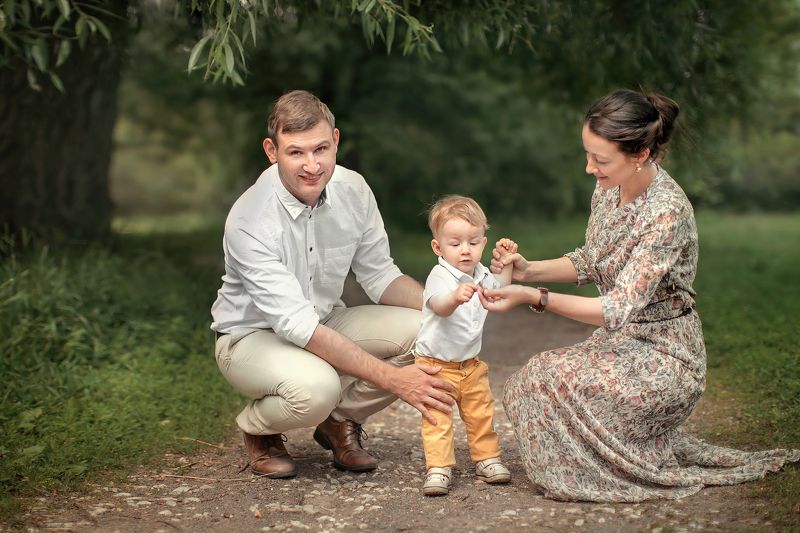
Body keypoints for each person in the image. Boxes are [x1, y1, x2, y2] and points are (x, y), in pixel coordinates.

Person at [480, 89, 800, 502]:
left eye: (600, 159)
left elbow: (615, 309)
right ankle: (596, 457)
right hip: (622, 343)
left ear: (641, 154)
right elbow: (593, 259)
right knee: (526, 383)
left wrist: (534, 296)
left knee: (546, 378)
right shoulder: (609, 189)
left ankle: (604, 467)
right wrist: (529, 269)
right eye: (588, 154)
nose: (589, 167)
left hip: (666, 357)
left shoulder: (666, 212)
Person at [210, 90, 454, 479]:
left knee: (431, 328)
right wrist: (396, 380)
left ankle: (337, 421)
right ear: (272, 151)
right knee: (317, 389)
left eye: (321, 149)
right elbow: (297, 327)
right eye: (296, 153)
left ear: (336, 140)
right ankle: (259, 428)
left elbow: (379, 275)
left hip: (323, 319)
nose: (312, 165)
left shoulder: (354, 190)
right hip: (251, 337)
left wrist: (448, 304)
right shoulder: (249, 219)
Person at [413, 195, 515, 496]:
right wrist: (455, 297)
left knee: (481, 412)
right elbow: (439, 306)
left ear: (483, 243)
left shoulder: (482, 274)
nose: (465, 250)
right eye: (455, 243)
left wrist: (505, 264)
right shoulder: (440, 277)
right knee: (437, 418)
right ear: (438, 247)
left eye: (472, 242)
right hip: (435, 365)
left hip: (469, 364)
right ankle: (439, 467)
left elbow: (502, 291)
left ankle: (487, 458)